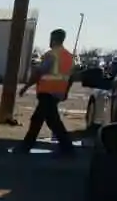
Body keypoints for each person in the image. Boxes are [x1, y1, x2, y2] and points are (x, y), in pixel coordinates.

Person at [14, 28, 75, 156]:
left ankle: (25, 147)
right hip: (57, 93)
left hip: (47, 92)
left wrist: (26, 87)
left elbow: (39, 73)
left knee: (38, 120)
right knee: (52, 121)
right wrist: (66, 92)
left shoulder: (51, 55)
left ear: (53, 39)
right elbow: (71, 77)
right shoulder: (69, 56)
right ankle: (67, 148)